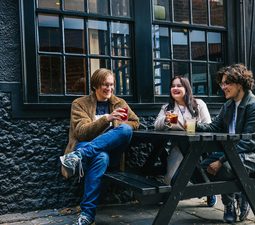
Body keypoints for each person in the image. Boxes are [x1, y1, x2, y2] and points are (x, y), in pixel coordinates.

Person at [59, 68, 140, 225]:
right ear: (95, 85)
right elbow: (81, 133)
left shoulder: (119, 103)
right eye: (104, 84)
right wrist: (106, 119)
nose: (109, 88)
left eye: (111, 84)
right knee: (101, 156)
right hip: (86, 144)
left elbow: (135, 122)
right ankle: (87, 215)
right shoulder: (79, 104)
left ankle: (78, 156)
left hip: (110, 151)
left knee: (125, 129)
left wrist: (118, 123)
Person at [196, 64, 255, 223]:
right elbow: (214, 127)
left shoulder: (254, 106)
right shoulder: (228, 105)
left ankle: (229, 203)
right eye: (222, 83)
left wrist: (220, 160)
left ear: (240, 83)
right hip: (233, 153)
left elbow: (248, 143)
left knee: (223, 169)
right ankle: (242, 192)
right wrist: (191, 125)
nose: (223, 87)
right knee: (199, 171)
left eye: (227, 83)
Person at [153, 75, 217, 207]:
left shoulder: (198, 104)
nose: (175, 88)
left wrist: (196, 127)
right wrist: (165, 120)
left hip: (199, 146)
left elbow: (209, 126)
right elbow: (156, 125)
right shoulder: (167, 108)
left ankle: (209, 191)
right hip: (179, 146)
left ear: (186, 88)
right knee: (170, 178)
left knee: (194, 168)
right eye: (172, 86)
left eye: (179, 85)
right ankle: (199, 188)